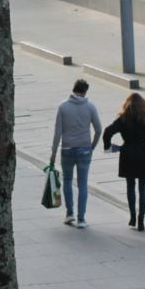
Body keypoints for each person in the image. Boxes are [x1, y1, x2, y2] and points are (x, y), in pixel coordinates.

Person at [103, 92, 145, 231]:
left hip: (128, 154)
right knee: (143, 188)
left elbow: (108, 131)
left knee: (130, 186)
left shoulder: (123, 119)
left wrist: (108, 147)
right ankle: (141, 219)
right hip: (144, 154)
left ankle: (132, 216)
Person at [50, 79, 102, 229]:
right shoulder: (90, 107)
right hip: (84, 149)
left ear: (73, 89)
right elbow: (99, 129)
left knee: (67, 181)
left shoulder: (63, 107)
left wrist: (53, 152)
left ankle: (69, 213)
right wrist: (92, 146)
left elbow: (57, 132)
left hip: (67, 149)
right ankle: (81, 218)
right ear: (85, 91)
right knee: (83, 184)